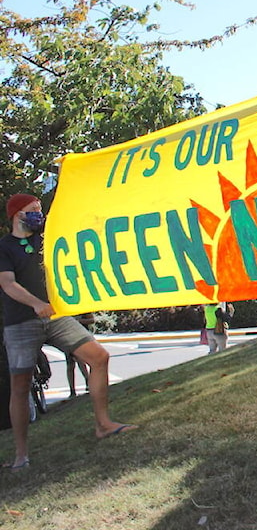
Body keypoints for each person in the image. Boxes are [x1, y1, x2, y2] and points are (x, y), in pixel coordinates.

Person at [1, 193, 136, 470]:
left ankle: (103, 425)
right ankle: (21, 456)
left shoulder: (46, 240)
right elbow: (8, 284)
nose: (39, 214)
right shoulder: (4, 247)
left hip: (56, 316)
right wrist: (36, 303)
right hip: (21, 323)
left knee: (99, 357)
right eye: (33, 210)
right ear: (17, 215)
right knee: (20, 387)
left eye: (40, 209)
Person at [66, 314, 95, 398]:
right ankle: (72, 390)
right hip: (68, 338)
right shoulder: (64, 309)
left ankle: (88, 381)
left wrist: (78, 321)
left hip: (82, 337)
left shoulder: (82, 309)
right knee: (70, 365)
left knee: (81, 360)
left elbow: (91, 320)